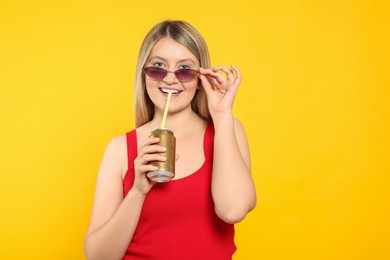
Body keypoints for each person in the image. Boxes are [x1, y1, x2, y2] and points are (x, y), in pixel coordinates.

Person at [84, 20, 256, 260]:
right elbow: (98, 256)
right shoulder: (120, 149)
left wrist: (222, 114)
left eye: (185, 69)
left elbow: (233, 210)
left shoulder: (226, 129)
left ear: (199, 80)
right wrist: (138, 191)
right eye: (158, 67)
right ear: (144, 75)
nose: (170, 79)